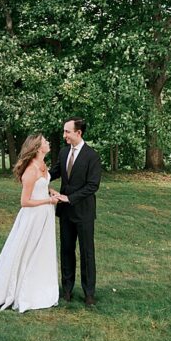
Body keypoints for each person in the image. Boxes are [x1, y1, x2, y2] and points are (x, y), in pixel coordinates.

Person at [0, 133, 66, 312]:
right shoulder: (31, 170)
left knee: (41, 251)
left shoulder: (43, 165)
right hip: (33, 216)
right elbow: (25, 202)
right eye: (45, 141)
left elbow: (40, 185)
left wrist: (50, 191)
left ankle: (39, 285)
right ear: (37, 147)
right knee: (26, 250)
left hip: (45, 215)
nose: (48, 143)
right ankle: (19, 289)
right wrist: (48, 201)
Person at [49, 116, 102, 306]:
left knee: (87, 253)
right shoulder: (63, 153)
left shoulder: (92, 156)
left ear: (78, 133)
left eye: (67, 132)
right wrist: (35, 174)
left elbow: (92, 186)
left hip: (84, 213)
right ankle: (67, 290)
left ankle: (89, 293)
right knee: (66, 251)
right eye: (64, 131)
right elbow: (53, 172)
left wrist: (70, 198)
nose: (64, 135)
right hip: (65, 213)